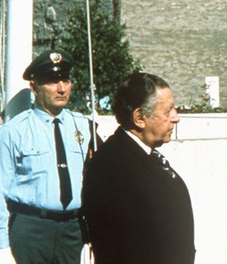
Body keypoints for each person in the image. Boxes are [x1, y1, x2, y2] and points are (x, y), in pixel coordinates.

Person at [0, 50, 95, 264]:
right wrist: (1, 249)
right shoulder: (14, 131)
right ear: (34, 88)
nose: (61, 88)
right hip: (30, 228)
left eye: (65, 80)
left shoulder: (84, 127)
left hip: (72, 231)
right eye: (52, 82)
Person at [82, 72, 194, 264]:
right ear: (140, 117)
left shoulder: (140, 154)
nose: (176, 118)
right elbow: (126, 246)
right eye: (167, 111)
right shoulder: (113, 166)